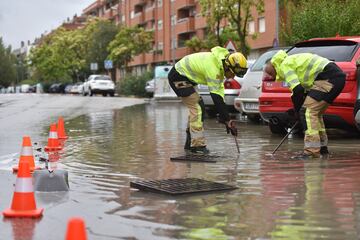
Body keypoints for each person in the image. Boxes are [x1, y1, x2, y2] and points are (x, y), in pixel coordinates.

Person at [264, 50, 346, 158]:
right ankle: (322, 149)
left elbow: (298, 90)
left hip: (328, 77)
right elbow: (300, 93)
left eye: (272, 75)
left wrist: (298, 112)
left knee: (308, 112)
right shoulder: (290, 61)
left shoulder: (284, 66)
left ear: (274, 70)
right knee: (315, 113)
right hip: (334, 78)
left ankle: (311, 153)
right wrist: (297, 110)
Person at [168, 46, 248, 154]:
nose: (233, 77)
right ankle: (197, 146)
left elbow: (220, 98)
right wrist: (226, 119)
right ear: (227, 67)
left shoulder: (219, 66)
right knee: (197, 107)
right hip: (178, 76)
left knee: (196, 107)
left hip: (187, 77)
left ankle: (190, 143)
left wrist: (227, 120)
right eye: (233, 73)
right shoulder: (214, 69)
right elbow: (215, 98)